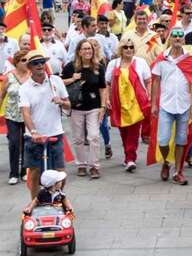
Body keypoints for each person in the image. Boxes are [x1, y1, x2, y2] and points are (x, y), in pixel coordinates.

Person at [150, 28, 192, 186]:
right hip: (165, 105)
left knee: (181, 140)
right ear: (170, 38)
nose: (177, 38)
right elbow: (155, 81)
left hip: (184, 105)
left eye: (180, 36)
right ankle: (166, 162)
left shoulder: (189, 59)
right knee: (163, 140)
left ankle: (178, 171)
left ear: (183, 39)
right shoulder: (162, 58)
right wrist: (154, 104)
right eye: (174, 36)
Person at [19, 49, 71, 199]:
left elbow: (69, 105)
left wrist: (61, 102)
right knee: (34, 173)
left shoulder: (56, 81)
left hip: (55, 133)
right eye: (35, 63)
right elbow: (26, 112)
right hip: (34, 137)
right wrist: (33, 131)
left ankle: (59, 198)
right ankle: (35, 202)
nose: (40, 65)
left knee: (61, 171)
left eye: (42, 62)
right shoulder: (25, 88)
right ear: (30, 67)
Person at [62, 39, 107, 179]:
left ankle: (94, 166)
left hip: (94, 107)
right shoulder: (71, 67)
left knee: (93, 136)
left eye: (90, 49)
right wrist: (72, 78)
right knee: (78, 138)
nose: (88, 51)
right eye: (85, 49)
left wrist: (103, 106)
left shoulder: (98, 67)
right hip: (76, 107)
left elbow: (103, 88)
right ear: (79, 51)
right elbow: (60, 82)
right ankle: (81, 164)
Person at [105, 37, 151, 172]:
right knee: (123, 131)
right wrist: (107, 99)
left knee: (133, 132)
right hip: (119, 103)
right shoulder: (113, 64)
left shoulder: (141, 62)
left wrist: (149, 95)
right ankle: (128, 156)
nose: (129, 49)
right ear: (121, 49)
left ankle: (131, 158)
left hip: (137, 103)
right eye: (126, 47)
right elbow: (107, 83)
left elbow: (148, 81)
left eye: (131, 47)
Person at [1, 51, 30, 184]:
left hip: (28, 114)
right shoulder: (9, 76)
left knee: (26, 142)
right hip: (12, 114)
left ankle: (25, 171)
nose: (26, 62)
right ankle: (13, 173)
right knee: (13, 142)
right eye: (23, 60)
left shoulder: (32, 75)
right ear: (17, 62)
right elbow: (2, 95)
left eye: (27, 60)